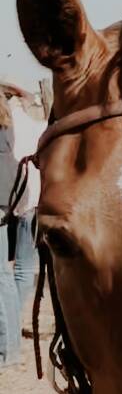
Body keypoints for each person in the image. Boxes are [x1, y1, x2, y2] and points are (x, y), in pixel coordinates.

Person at [0, 82, 41, 367]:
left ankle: (7, 347)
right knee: (21, 270)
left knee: (5, 275)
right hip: (27, 197)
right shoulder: (19, 122)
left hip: (16, 197)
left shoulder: (8, 125)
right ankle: (11, 342)